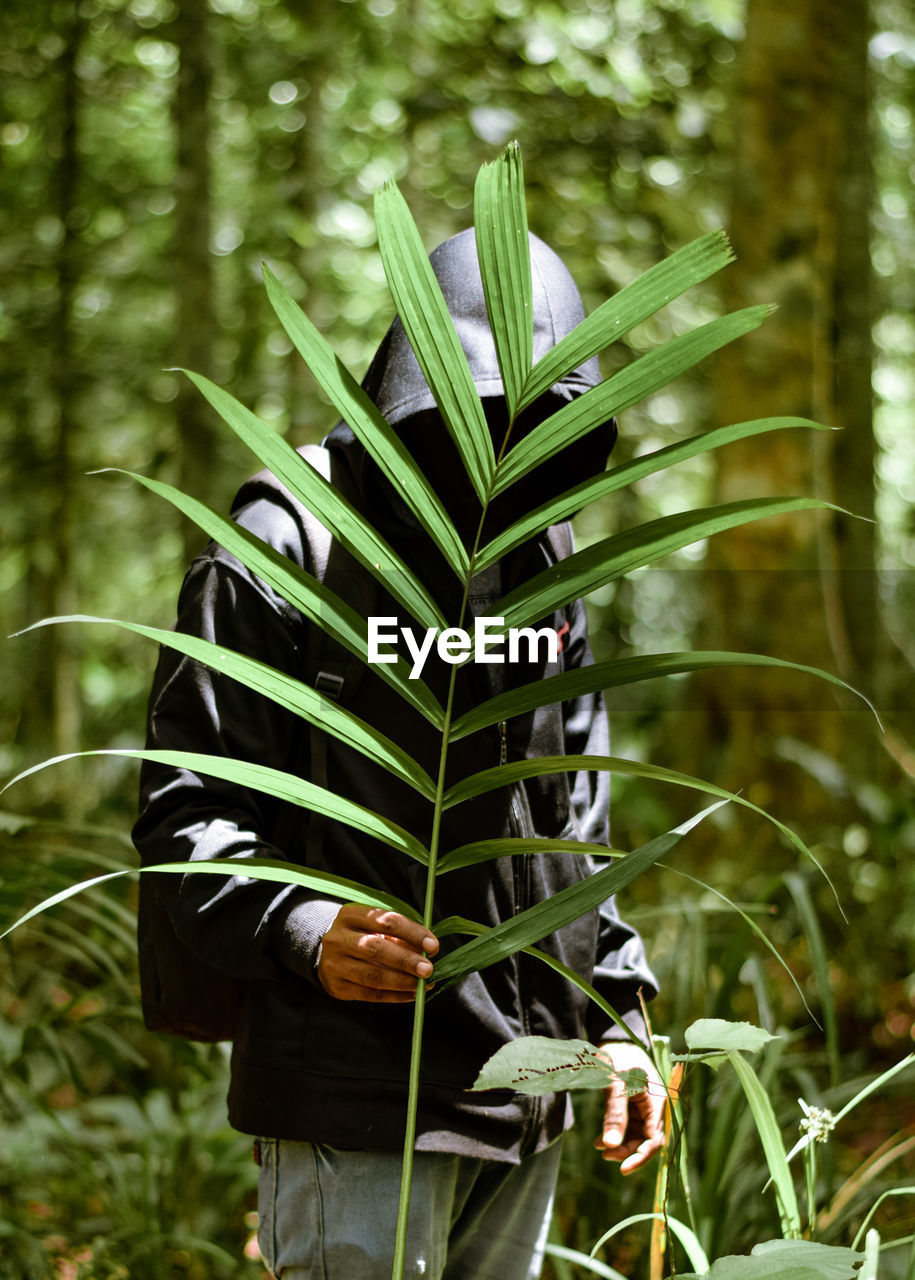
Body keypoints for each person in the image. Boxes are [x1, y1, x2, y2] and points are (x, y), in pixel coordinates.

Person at [133, 227, 664, 1280]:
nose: (500, 451)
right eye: (475, 415)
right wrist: (303, 924)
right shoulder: (288, 541)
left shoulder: (543, 556)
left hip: (532, 1081)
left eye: (536, 423)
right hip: (357, 1085)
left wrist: (619, 1011)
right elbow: (184, 810)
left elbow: (575, 819)